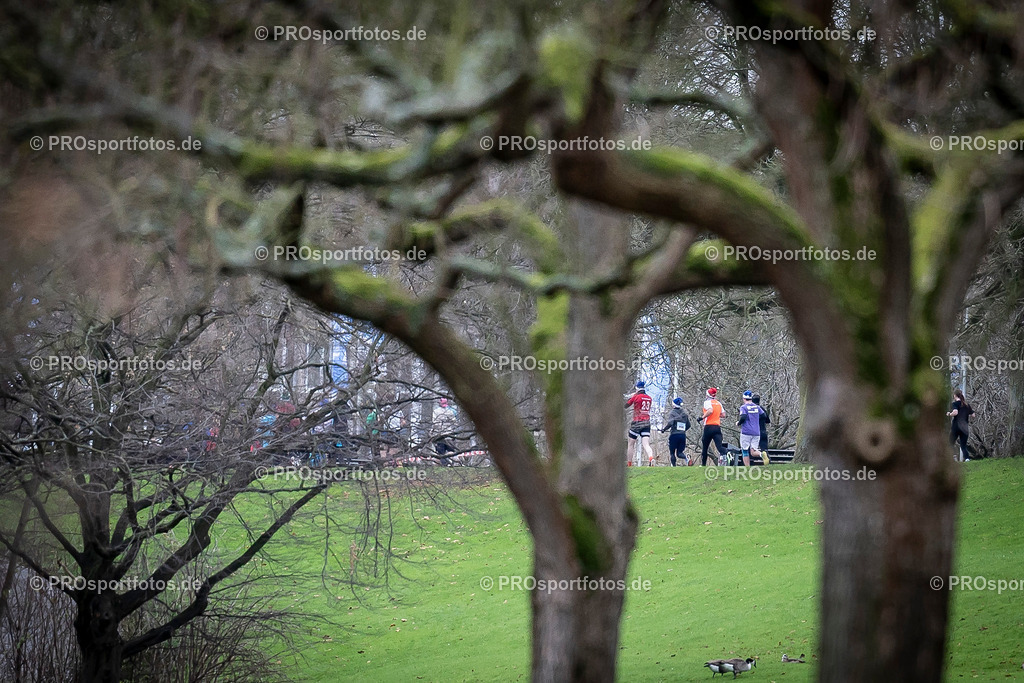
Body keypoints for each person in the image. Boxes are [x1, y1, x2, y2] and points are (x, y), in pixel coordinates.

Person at [625, 381, 654, 466]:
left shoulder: (636, 397)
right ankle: (651, 458)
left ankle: (629, 463)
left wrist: (632, 396)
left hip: (637, 422)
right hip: (647, 422)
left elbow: (626, 405)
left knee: (631, 443)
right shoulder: (649, 398)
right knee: (646, 444)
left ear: (637, 388)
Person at [698, 388, 728, 466]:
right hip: (717, 427)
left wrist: (702, 417)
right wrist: (716, 415)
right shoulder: (718, 403)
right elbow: (723, 415)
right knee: (719, 447)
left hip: (708, 427)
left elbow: (710, 410)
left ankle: (703, 464)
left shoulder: (707, 402)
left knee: (705, 447)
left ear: (708, 395)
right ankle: (727, 453)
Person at [736, 390, 766, 466]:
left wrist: (739, 423)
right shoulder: (757, 407)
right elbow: (764, 415)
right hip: (756, 432)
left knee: (745, 451)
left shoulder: (743, 407)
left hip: (746, 432)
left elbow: (743, 417)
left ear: (744, 398)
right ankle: (761, 454)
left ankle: (747, 468)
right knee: (753, 451)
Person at [660, 397, 691, 466]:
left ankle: (674, 466)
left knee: (672, 453)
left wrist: (664, 429)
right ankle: (686, 458)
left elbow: (670, 423)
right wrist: (682, 430)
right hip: (682, 436)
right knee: (679, 453)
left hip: (674, 435)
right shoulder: (684, 414)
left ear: (674, 405)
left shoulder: (672, 413)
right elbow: (689, 425)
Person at [946, 389, 975, 461]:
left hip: (956, 426)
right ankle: (967, 458)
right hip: (965, 427)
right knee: (963, 445)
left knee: (950, 443)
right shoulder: (967, 405)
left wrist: (949, 414)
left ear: (955, 395)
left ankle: (954, 457)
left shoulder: (955, 404)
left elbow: (955, 412)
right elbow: (973, 415)